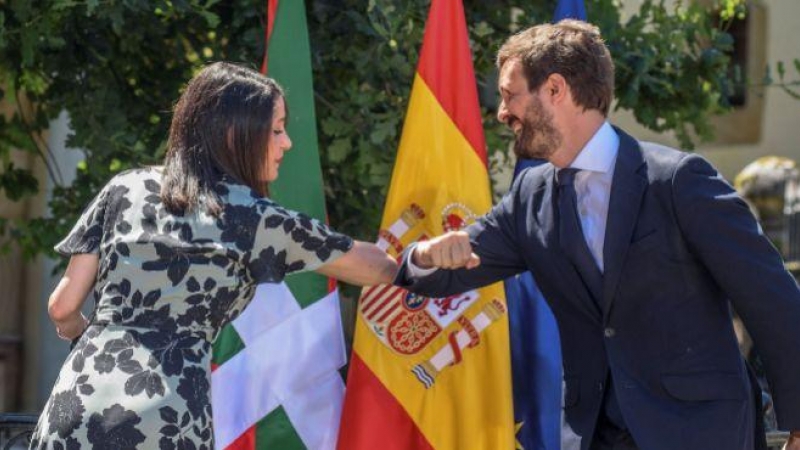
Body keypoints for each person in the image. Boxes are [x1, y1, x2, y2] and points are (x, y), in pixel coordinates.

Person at [396, 20, 800, 450]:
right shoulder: (529, 197)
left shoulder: (679, 181)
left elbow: (773, 300)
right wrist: (423, 254)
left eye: (510, 94)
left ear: (555, 89)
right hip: (593, 435)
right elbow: (443, 274)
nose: (502, 113)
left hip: (698, 430)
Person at [30, 62, 397, 449]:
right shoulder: (254, 217)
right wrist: (422, 259)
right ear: (235, 134)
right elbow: (375, 267)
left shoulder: (125, 188)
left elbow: (62, 307)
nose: (286, 142)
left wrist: (86, 335)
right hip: (166, 414)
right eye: (276, 130)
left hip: (76, 402)